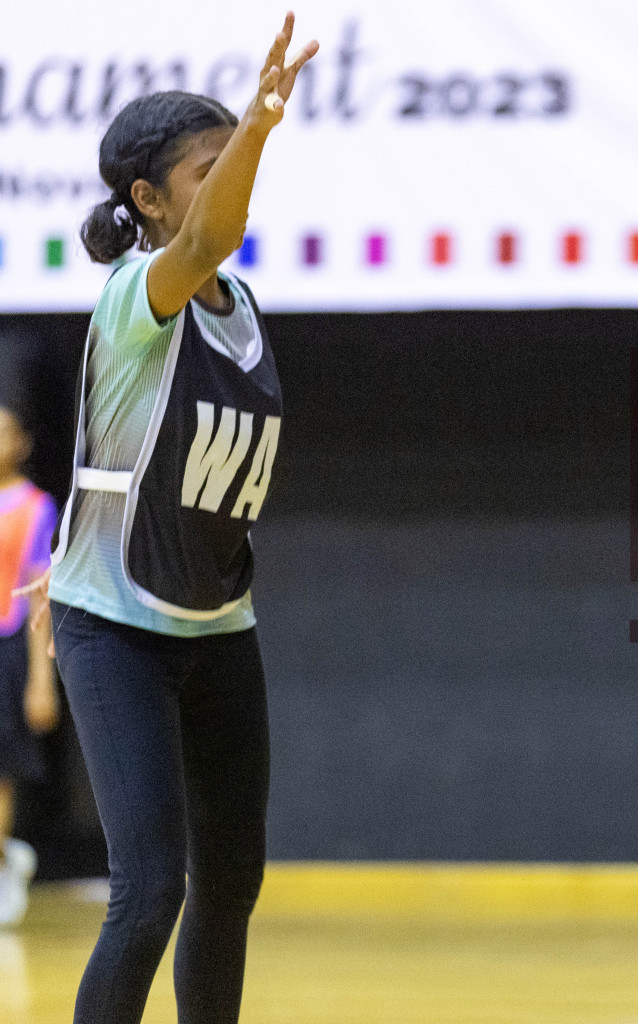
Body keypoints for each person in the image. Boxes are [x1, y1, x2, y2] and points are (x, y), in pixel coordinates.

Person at [19, 14, 316, 1023]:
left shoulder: (240, 305)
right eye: (211, 162)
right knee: (150, 894)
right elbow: (206, 235)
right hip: (117, 629)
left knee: (230, 887)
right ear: (147, 199)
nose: (232, 173)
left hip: (218, 624)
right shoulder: (138, 295)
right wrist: (264, 127)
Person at [0, 404, 58, 928]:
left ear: (23, 443)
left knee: (1, 773)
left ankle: (3, 865)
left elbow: (40, 595)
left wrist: (42, 681)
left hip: (9, 646)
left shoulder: (37, 508)